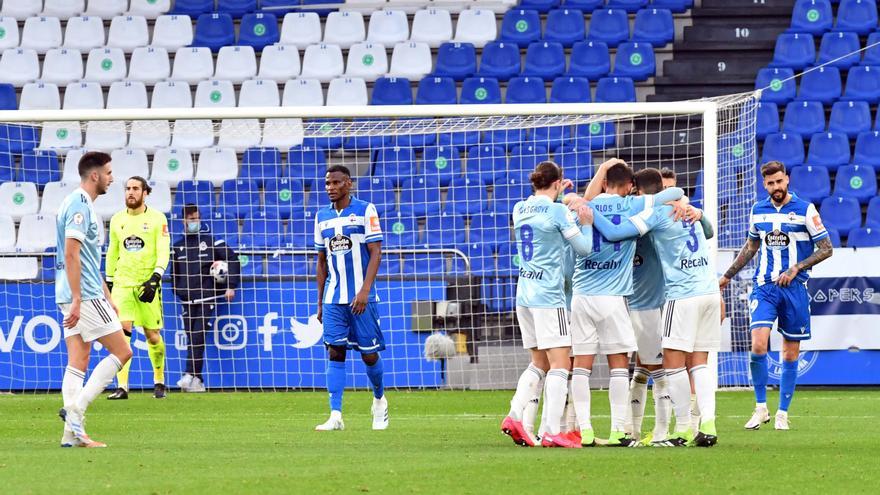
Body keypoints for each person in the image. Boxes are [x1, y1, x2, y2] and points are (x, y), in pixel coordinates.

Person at [590, 168, 720, 447]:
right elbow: (708, 231)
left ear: (637, 190)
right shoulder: (687, 209)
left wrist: (588, 208)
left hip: (681, 295)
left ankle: (681, 430)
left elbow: (613, 232)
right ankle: (707, 425)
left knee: (670, 366)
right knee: (698, 363)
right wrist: (698, 212)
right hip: (709, 290)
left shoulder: (656, 213)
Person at [566, 159, 684, 447]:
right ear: (630, 187)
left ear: (604, 183)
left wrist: (582, 193)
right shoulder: (635, 205)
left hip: (581, 296)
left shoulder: (586, 206)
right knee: (619, 365)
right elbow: (671, 193)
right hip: (613, 297)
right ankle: (619, 429)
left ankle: (585, 430)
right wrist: (681, 200)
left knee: (581, 365)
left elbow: (570, 203)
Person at [719, 160, 832, 431]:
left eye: (779, 181)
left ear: (787, 180)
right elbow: (750, 246)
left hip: (795, 289)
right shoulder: (758, 210)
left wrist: (797, 267)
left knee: (790, 353)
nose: (776, 187)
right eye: (770, 183)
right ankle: (760, 408)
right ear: (764, 184)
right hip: (764, 287)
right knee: (758, 345)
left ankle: (782, 412)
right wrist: (727, 276)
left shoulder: (805, 209)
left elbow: (827, 248)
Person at [501, 161, 594, 449]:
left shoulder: (520, 208)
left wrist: (557, 198)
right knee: (560, 363)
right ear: (558, 182)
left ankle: (516, 414)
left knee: (538, 362)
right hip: (548, 296)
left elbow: (546, 214)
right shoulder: (557, 212)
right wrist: (586, 224)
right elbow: (583, 249)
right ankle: (553, 430)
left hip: (524, 295)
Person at [57, 151, 132, 448]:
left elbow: (87, 258)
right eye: (109, 173)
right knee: (123, 351)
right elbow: (71, 252)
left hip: (78, 291)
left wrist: (109, 295)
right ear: (95, 175)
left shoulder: (78, 202)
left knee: (78, 359)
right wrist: (79, 298)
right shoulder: (79, 205)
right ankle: (76, 410)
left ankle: (70, 436)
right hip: (82, 294)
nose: (113, 178)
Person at [314, 165, 387, 431]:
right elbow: (321, 261)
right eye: (327, 183)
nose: (330, 187)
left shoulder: (366, 210)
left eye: (335, 182)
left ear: (349, 184)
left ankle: (379, 400)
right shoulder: (321, 216)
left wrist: (365, 291)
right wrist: (320, 301)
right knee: (335, 351)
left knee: (368, 355)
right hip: (334, 298)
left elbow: (376, 252)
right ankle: (336, 415)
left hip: (361, 297)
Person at [105, 177, 171, 399]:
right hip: (123, 284)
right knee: (123, 336)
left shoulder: (157, 219)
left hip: (147, 283)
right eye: (128, 189)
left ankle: (159, 380)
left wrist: (155, 277)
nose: (130, 192)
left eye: (135, 189)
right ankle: (122, 387)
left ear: (145, 193)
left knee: (152, 336)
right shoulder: (117, 220)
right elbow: (113, 250)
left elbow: (163, 250)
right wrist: (109, 279)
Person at [171, 204, 240, 393]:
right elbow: (174, 273)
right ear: (184, 221)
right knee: (192, 336)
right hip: (187, 299)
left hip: (207, 297)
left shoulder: (210, 241)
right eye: (191, 219)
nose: (195, 222)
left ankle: (188, 374)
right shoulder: (178, 247)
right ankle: (197, 380)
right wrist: (178, 291)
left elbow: (232, 259)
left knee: (198, 334)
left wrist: (230, 286)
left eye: (197, 219)